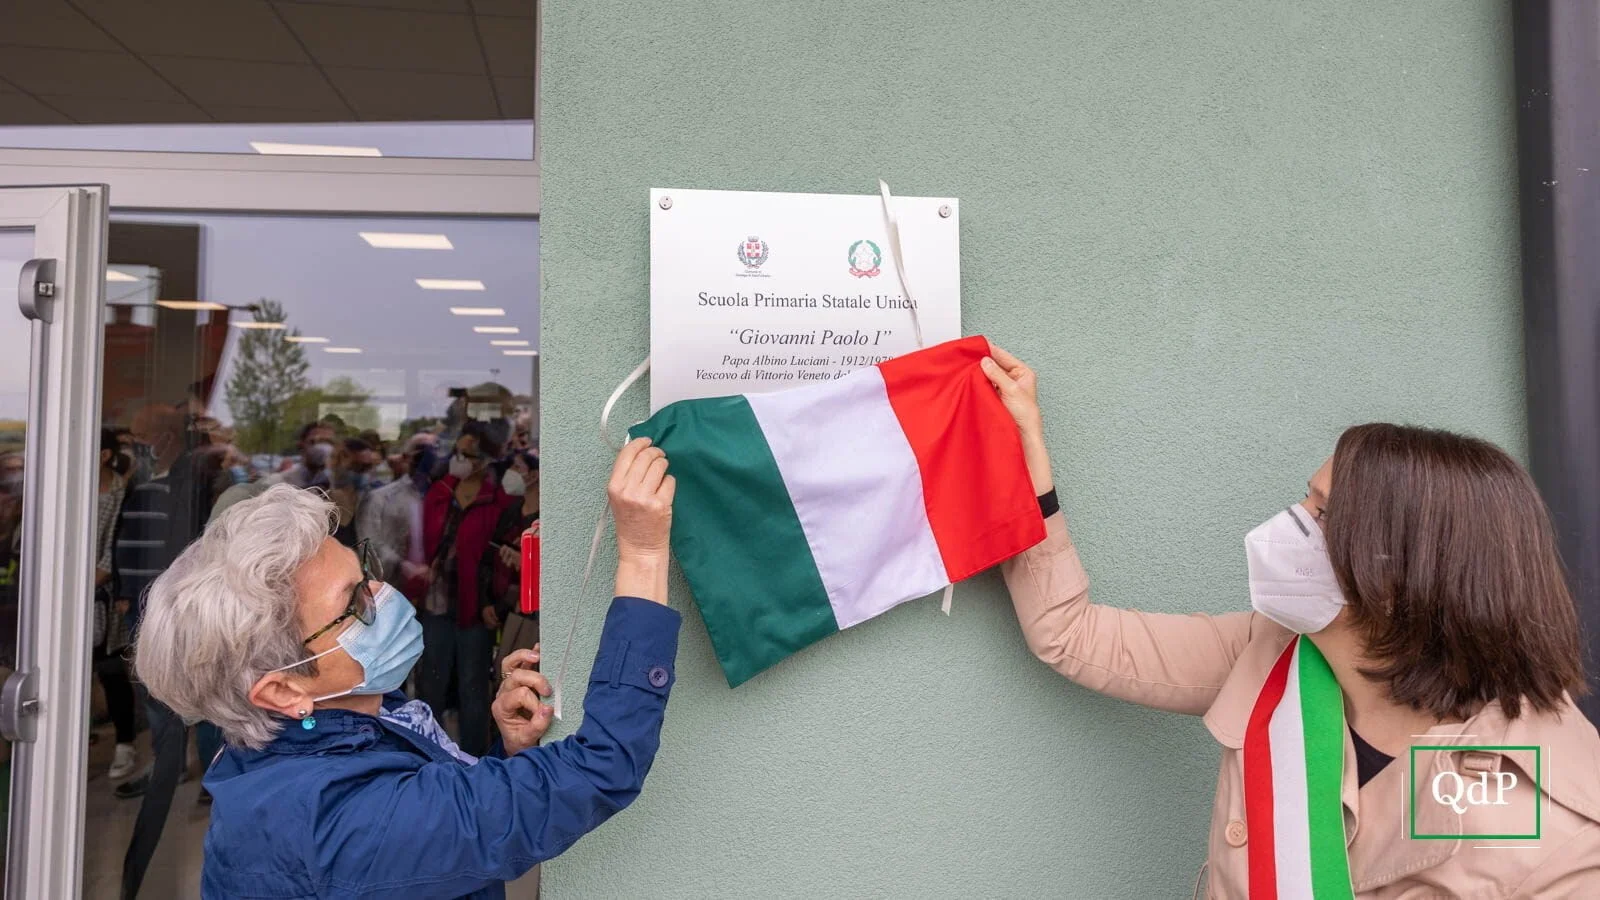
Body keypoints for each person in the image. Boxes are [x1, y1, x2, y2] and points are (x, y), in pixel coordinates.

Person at [979, 346, 1600, 896]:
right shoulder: (1275, 652)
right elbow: (1073, 636)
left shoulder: (1560, 835)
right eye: (1306, 498)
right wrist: (1024, 469)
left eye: (1323, 516)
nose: (1287, 525)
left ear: (1404, 575)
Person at [132, 437, 679, 899]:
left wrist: (507, 755)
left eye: (364, 566)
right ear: (281, 689)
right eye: (355, 603)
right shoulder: (336, 820)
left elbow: (433, 819)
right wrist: (645, 555)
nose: (383, 592)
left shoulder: (340, 724)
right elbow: (603, 767)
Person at [418, 422, 511, 757]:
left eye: (469, 453)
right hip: (437, 604)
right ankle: (428, 755)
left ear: (486, 458)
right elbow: (422, 547)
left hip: (474, 610)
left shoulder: (497, 500)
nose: (461, 459)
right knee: (432, 685)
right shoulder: (440, 492)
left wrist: (494, 603)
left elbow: (497, 559)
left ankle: (473, 759)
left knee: (474, 690)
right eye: (459, 451)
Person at [93, 428, 139, 780]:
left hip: (103, 597)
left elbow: (119, 544)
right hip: (71, 592)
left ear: (105, 455)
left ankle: (125, 744)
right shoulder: (72, 489)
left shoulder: (124, 493)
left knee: (110, 670)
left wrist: (102, 575)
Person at [357, 433, 438, 602]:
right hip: (391, 590)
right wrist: (402, 565)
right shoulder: (381, 498)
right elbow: (369, 541)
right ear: (406, 457)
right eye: (421, 450)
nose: (429, 455)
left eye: (434, 448)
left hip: (433, 594)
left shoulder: (442, 496)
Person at [482, 452, 540, 672]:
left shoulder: (546, 518)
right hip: (503, 611)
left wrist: (526, 563)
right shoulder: (510, 513)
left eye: (518, 468)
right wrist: (485, 602)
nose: (510, 473)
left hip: (529, 615)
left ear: (534, 475)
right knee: (502, 672)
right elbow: (489, 558)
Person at [264, 421, 338, 490]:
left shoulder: (337, 483)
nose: (323, 448)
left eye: (329, 442)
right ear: (301, 445)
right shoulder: (278, 483)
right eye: (314, 442)